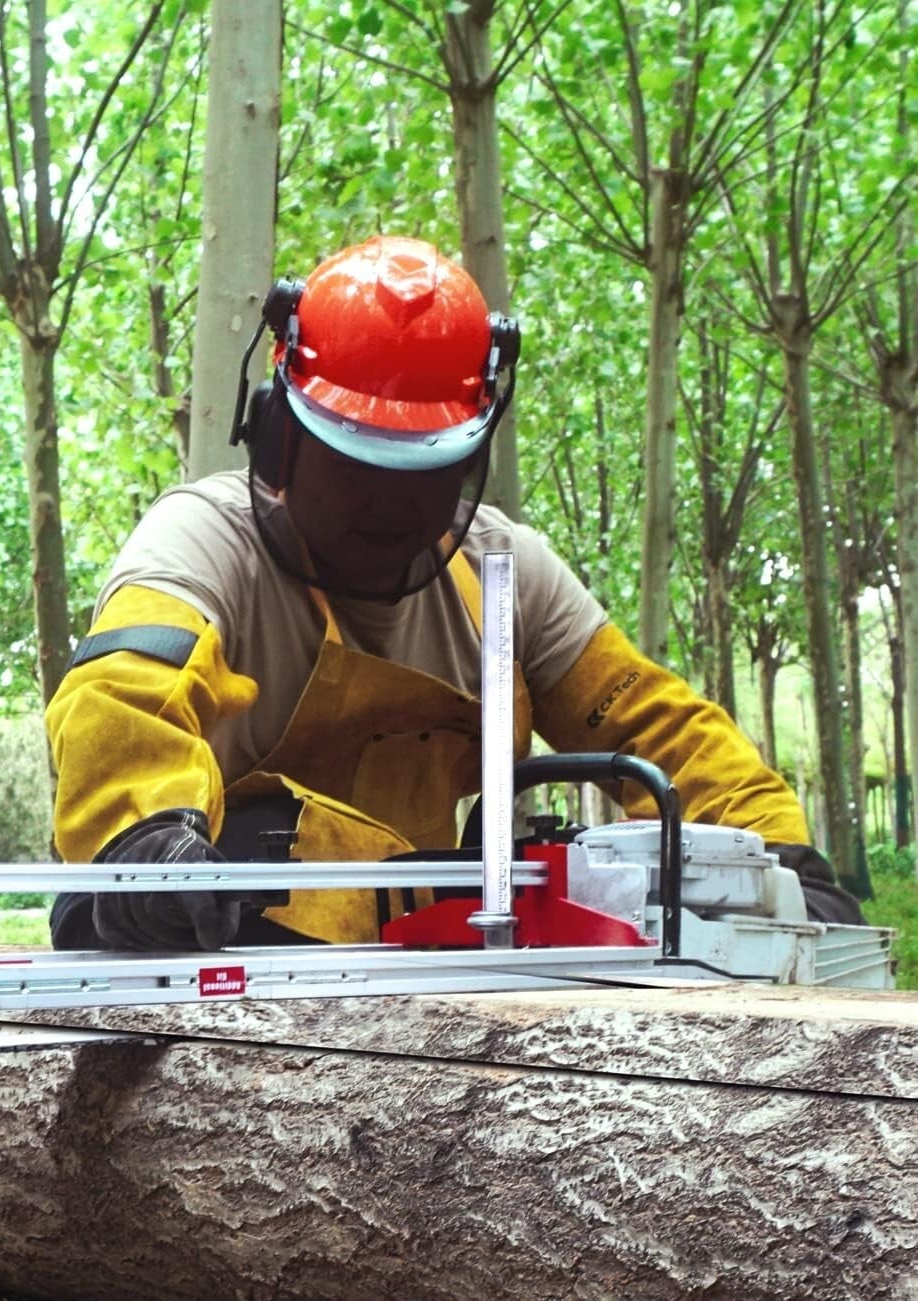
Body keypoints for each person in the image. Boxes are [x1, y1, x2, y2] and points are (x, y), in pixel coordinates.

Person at [45, 234, 860, 950]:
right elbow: (119, 701)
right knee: (249, 840)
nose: (386, 506)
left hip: (429, 947)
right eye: (355, 465)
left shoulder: (506, 572)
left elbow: (661, 730)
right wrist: (147, 839)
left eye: (419, 472)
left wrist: (780, 861)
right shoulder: (201, 541)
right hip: (214, 934)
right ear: (278, 439)